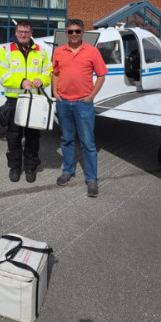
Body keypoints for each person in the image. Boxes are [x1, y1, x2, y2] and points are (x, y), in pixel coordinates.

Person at [51, 19, 107, 197]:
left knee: (88, 143)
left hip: (84, 104)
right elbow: (55, 73)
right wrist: (55, 92)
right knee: (66, 139)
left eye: (77, 31)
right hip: (64, 103)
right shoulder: (59, 52)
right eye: (70, 31)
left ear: (83, 33)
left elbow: (101, 76)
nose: (73, 34)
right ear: (66, 33)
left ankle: (92, 179)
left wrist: (91, 97)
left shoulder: (92, 51)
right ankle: (68, 171)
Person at [0, 20, 52, 183]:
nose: (23, 34)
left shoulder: (40, 51)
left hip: (35, 100)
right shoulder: (6, 50)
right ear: (16, 32)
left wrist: (42, 80)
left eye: (26, 31)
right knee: (13, 136)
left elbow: (49, 71)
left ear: (31, 33)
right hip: (14, 100)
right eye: (20, 31)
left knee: (33, 136)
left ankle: (30, 167)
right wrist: (21, 82)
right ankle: (15, 167)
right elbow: (0, 73)